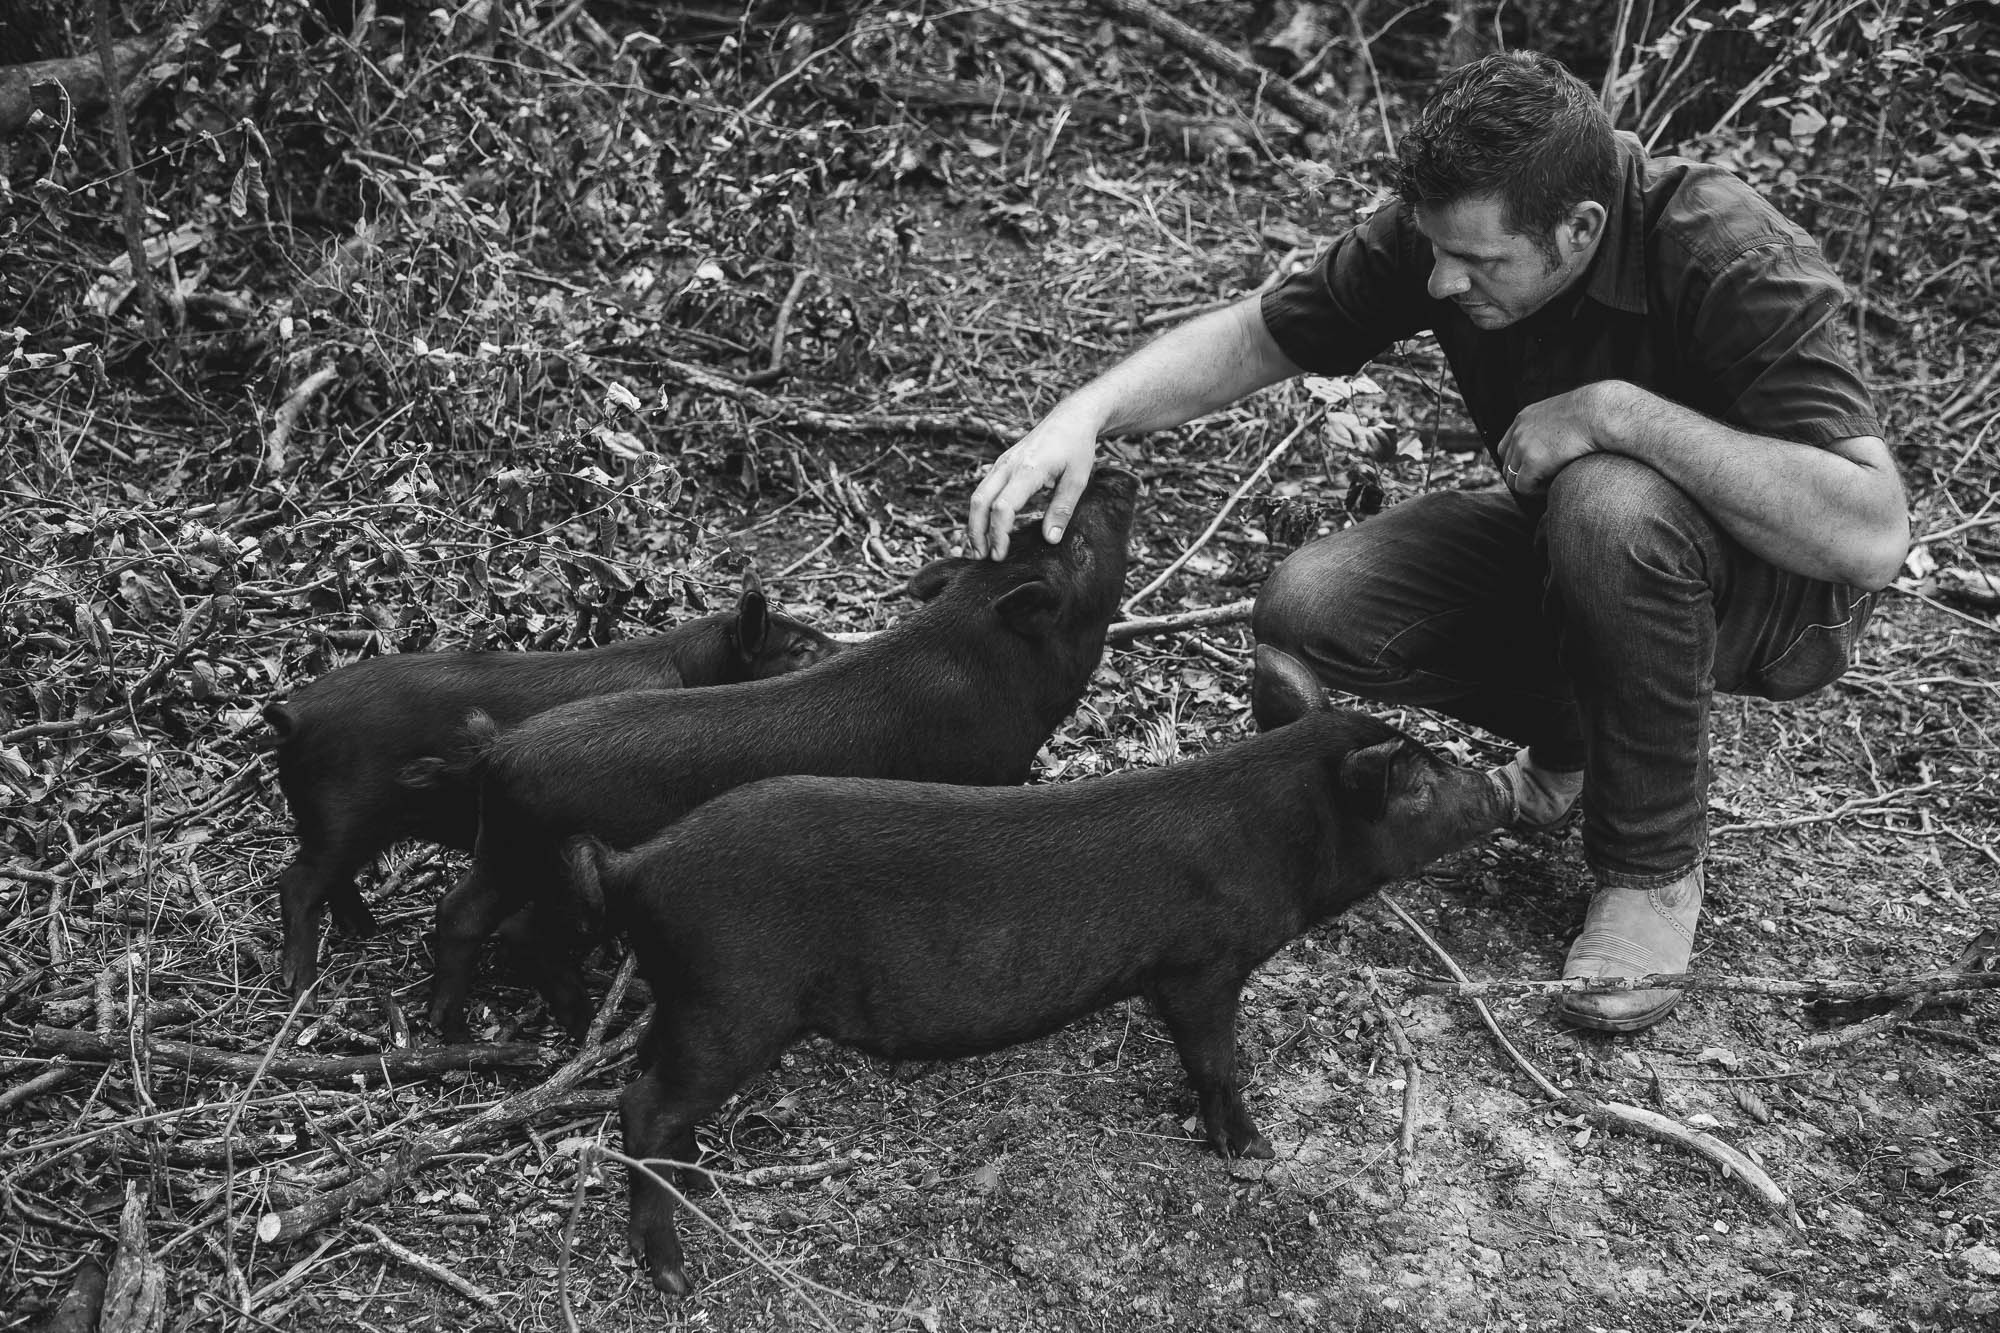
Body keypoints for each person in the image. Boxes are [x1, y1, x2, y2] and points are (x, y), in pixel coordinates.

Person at [964, 50, 1908, 1033]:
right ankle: (1577, 748)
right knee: (1310, 606)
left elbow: (1869, 531)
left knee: (1606, 499)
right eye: (1432, 248)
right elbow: (1256, 337)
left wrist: (1616, 412)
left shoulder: (1729, 257)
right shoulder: (1450, 233)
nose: (1440, 280)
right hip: (1582, 551)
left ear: (1579, 230)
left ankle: (1650, 867)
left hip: (1771, 600)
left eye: (1479, 263)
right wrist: (1087, 413)